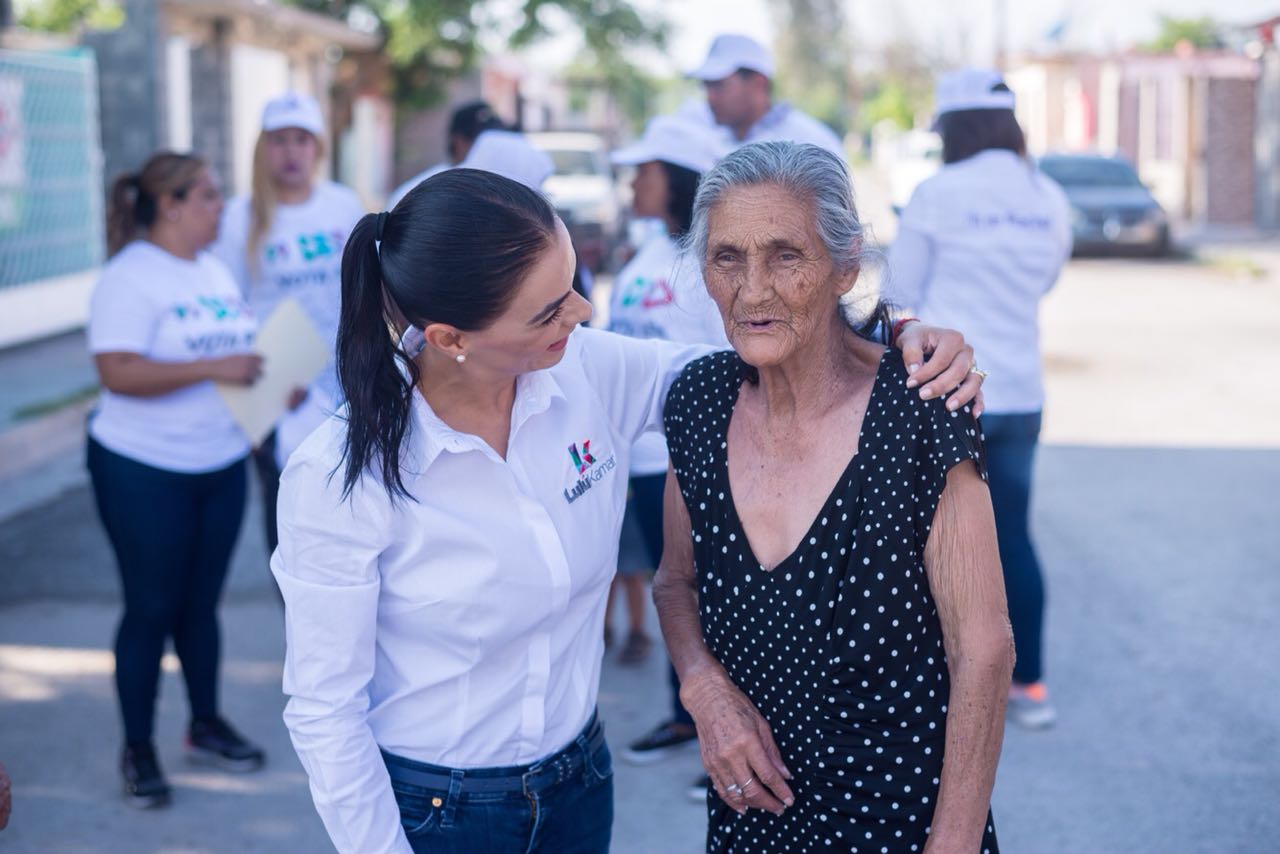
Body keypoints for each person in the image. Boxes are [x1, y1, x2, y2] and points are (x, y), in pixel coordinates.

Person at [270, 168, 981, 854]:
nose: (581, 313)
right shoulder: (340, 479)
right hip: (437, 814)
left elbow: (749, 364)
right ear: (452, 339)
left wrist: (897, 339)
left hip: (579, 788)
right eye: (549, 310)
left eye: (573, 285)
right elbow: (325, 709)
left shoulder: (582, 370)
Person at [653, 141, 1011, 854]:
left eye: (785, 255)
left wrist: (954, 843)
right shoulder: (699, 401)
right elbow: (675, 583)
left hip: (902, 828)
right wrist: (702, 688)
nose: (753, 290)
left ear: (846, 264)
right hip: (750, 825)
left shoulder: (920, 407)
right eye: (727, 258)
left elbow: (984, 649)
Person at [887, 68, 1072, 729]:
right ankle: (1030, 688)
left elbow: (896, 292)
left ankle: (942, 685)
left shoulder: (937, 193)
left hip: (945, 391)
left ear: (953, 127)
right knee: (1011, 537)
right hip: (1020, 392)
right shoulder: (1045, 194)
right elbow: (1048, 277)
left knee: (930, 543)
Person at [88, 152, 268, 810]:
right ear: (171, 205)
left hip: (217, 463)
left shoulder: (214, 269)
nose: (222, 207)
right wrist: (218, 368)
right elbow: (117, 371)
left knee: (201, 607)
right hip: (142, 467)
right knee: (152, 608)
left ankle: (206, 723)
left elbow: (236, 360)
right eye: (210, 196)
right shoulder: (130, 277)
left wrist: (270, 384)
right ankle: (138, 748)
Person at [603, 115, 728, 762]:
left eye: (643, 172)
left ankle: (736, 740)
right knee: (673, 592)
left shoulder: (719, 251)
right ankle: (687, 715)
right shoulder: (645, 254)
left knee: (720, 602)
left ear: (676, 176)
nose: (632, 185)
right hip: (643, 461)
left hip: (707, 460)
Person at [210, 92, 365, 560]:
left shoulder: (343, 205)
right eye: (279, 141)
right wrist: (270, 388)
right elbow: (229, 308)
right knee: (289, 521)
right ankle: (299, 627)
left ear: (317, 147)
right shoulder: (239, 218)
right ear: (262, 148)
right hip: (279, 394)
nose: (291, 152)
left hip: (346, 384)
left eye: (302, 139)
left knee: (354, 509)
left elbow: (365, 290)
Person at [690, 33, 844, 160]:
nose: (710, 97)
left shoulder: (812, 144)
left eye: (718, 85)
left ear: (758, 83)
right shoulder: (705, 139)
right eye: (706, 86)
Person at [387, 100, 515, 207]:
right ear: (458, 142)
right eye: (484, 142)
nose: (495, 147)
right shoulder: (417, 193)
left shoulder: (508, 187)